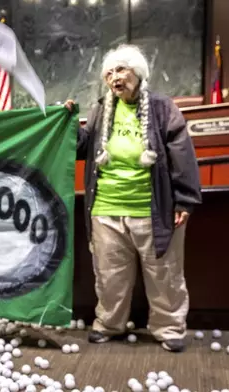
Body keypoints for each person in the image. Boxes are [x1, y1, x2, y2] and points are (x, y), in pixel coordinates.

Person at [65, 44, 201, 352]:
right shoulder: (100, 109)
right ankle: (109, 323)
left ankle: (169, 327)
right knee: (109, 275)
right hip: (105, 209)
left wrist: (186, 200)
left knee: (164, 274)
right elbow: (82, 147)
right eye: (110, 72)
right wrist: (70, 122)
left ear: (137, 73)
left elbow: (182, 153)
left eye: (121, 70)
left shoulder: (163, 108)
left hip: (153, 210)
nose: (115, 77)